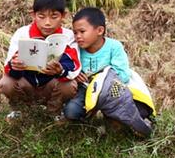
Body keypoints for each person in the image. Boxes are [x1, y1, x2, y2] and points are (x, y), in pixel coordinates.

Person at [64, 7, 154, 135]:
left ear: (100, 30)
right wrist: (76, 74)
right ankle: (88, 116)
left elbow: (122, 75)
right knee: (71, 112)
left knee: (130, 113)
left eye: (82, 31)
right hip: (86, 89)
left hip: (114, 90)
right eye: (75, 32)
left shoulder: (114, 47)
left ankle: (128, 121)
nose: (78, 36)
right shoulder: (75, 48)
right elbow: (69, 66)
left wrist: (101, 82)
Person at [0, 0, 80, 120]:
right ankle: (21, 111)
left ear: (63, 15)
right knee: (6, 83)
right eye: (41, 17)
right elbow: (8, 67)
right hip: (27, 84)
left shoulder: (68, 36)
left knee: (69, 86)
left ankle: (53, 113)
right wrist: (15, 66)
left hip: (51, 86)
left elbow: (74, 66)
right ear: (33, 15)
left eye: (54, 17)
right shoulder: (22, 33)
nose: (47, 23)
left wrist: (60, 70)